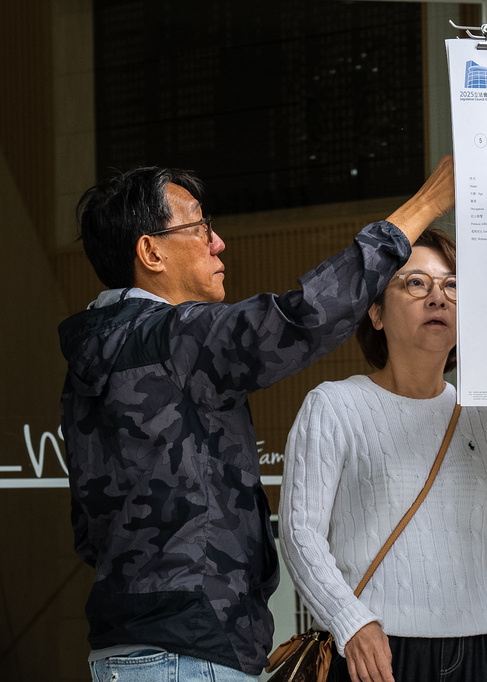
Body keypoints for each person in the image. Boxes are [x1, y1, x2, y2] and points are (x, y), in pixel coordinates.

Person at [60, 158, 455, 682]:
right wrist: (428, 202)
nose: (217, 242)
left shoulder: (95, 356)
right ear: (150, 251)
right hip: (191, 653)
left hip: (125, 652)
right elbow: (303, 318)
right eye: (198, 227)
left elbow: (90, 533)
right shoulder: (175, 338)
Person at [280, 227, 487, 682]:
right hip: (378, 650)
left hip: (485, 649)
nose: (438, 297)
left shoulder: (484, 411)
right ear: (377, 313)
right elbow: (298, 532)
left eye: (451, 285)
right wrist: (351, 621)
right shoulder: (334, 406)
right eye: (415, 283)